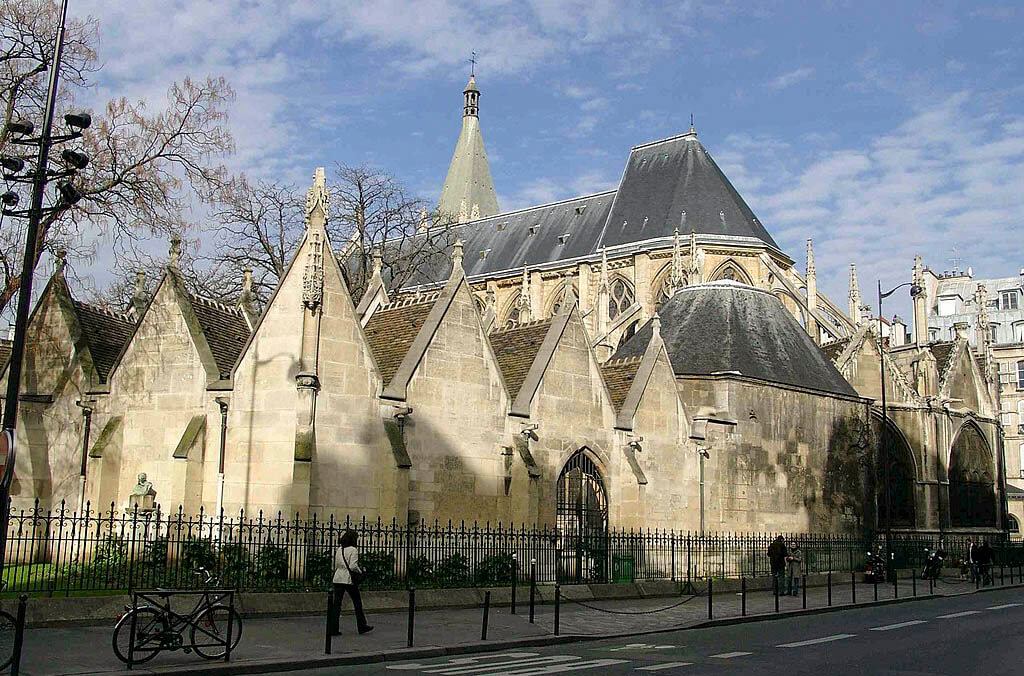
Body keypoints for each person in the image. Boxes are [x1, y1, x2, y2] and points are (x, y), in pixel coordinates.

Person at [332, 529, 373, 635]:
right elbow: (353, 566)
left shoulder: (339, 549)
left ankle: (333, 628)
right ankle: (362, 625)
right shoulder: (353, 550)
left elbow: (335, 564)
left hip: (338, 577)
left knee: (336, 604)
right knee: (357, 602)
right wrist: (361, 571)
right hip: (348, 579)